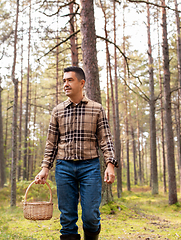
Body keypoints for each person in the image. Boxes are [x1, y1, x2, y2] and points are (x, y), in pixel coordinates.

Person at [35, 66, 118, 240]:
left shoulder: (96, 109)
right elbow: (51, 143)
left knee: (90, 216)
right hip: (64, 167)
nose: (66, 84)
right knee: (67, 219)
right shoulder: (57, 111)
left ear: (82, 83)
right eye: (64, 81)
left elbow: (105, 139)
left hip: (90, 167)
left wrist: (110, 164)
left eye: (70, 80)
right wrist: (45, 168)